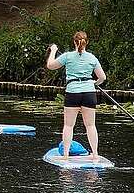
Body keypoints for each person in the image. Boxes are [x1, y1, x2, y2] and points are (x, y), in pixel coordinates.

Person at [46, 31, 107, 161]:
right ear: (86, 42)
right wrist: (94, 83)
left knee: (68, 126)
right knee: (90, 125)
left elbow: (50, 66)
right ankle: (95, 155)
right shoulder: (92, 58)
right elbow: (102, 77)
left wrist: (53, 51)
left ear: (74, 42)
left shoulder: (67, 56)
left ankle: (66, 155)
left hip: (73, 93)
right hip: (89, 93)